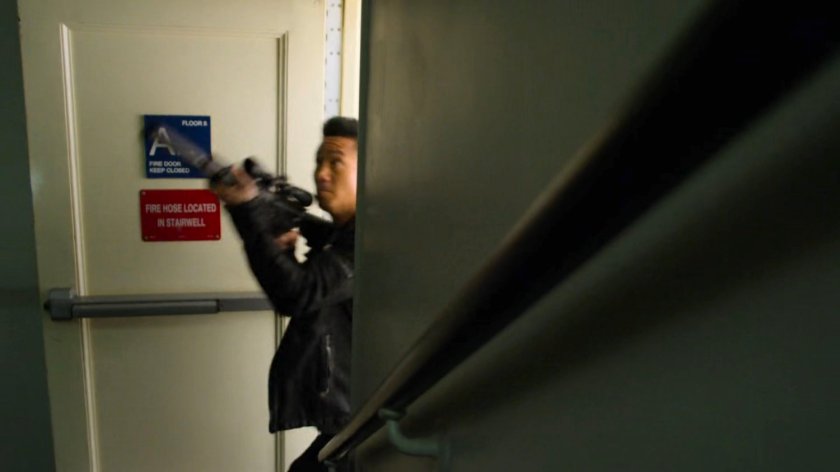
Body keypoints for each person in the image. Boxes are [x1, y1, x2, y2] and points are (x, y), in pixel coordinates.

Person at [212, 117, 358, 471]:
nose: (321, 174)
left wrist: (249, 211)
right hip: (356, 412)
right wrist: (275, 220)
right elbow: (311, 286)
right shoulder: (349, 233)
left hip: (363, 415)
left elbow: (298, 293)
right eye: (318, 161)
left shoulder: (369, 240)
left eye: (335, 162)